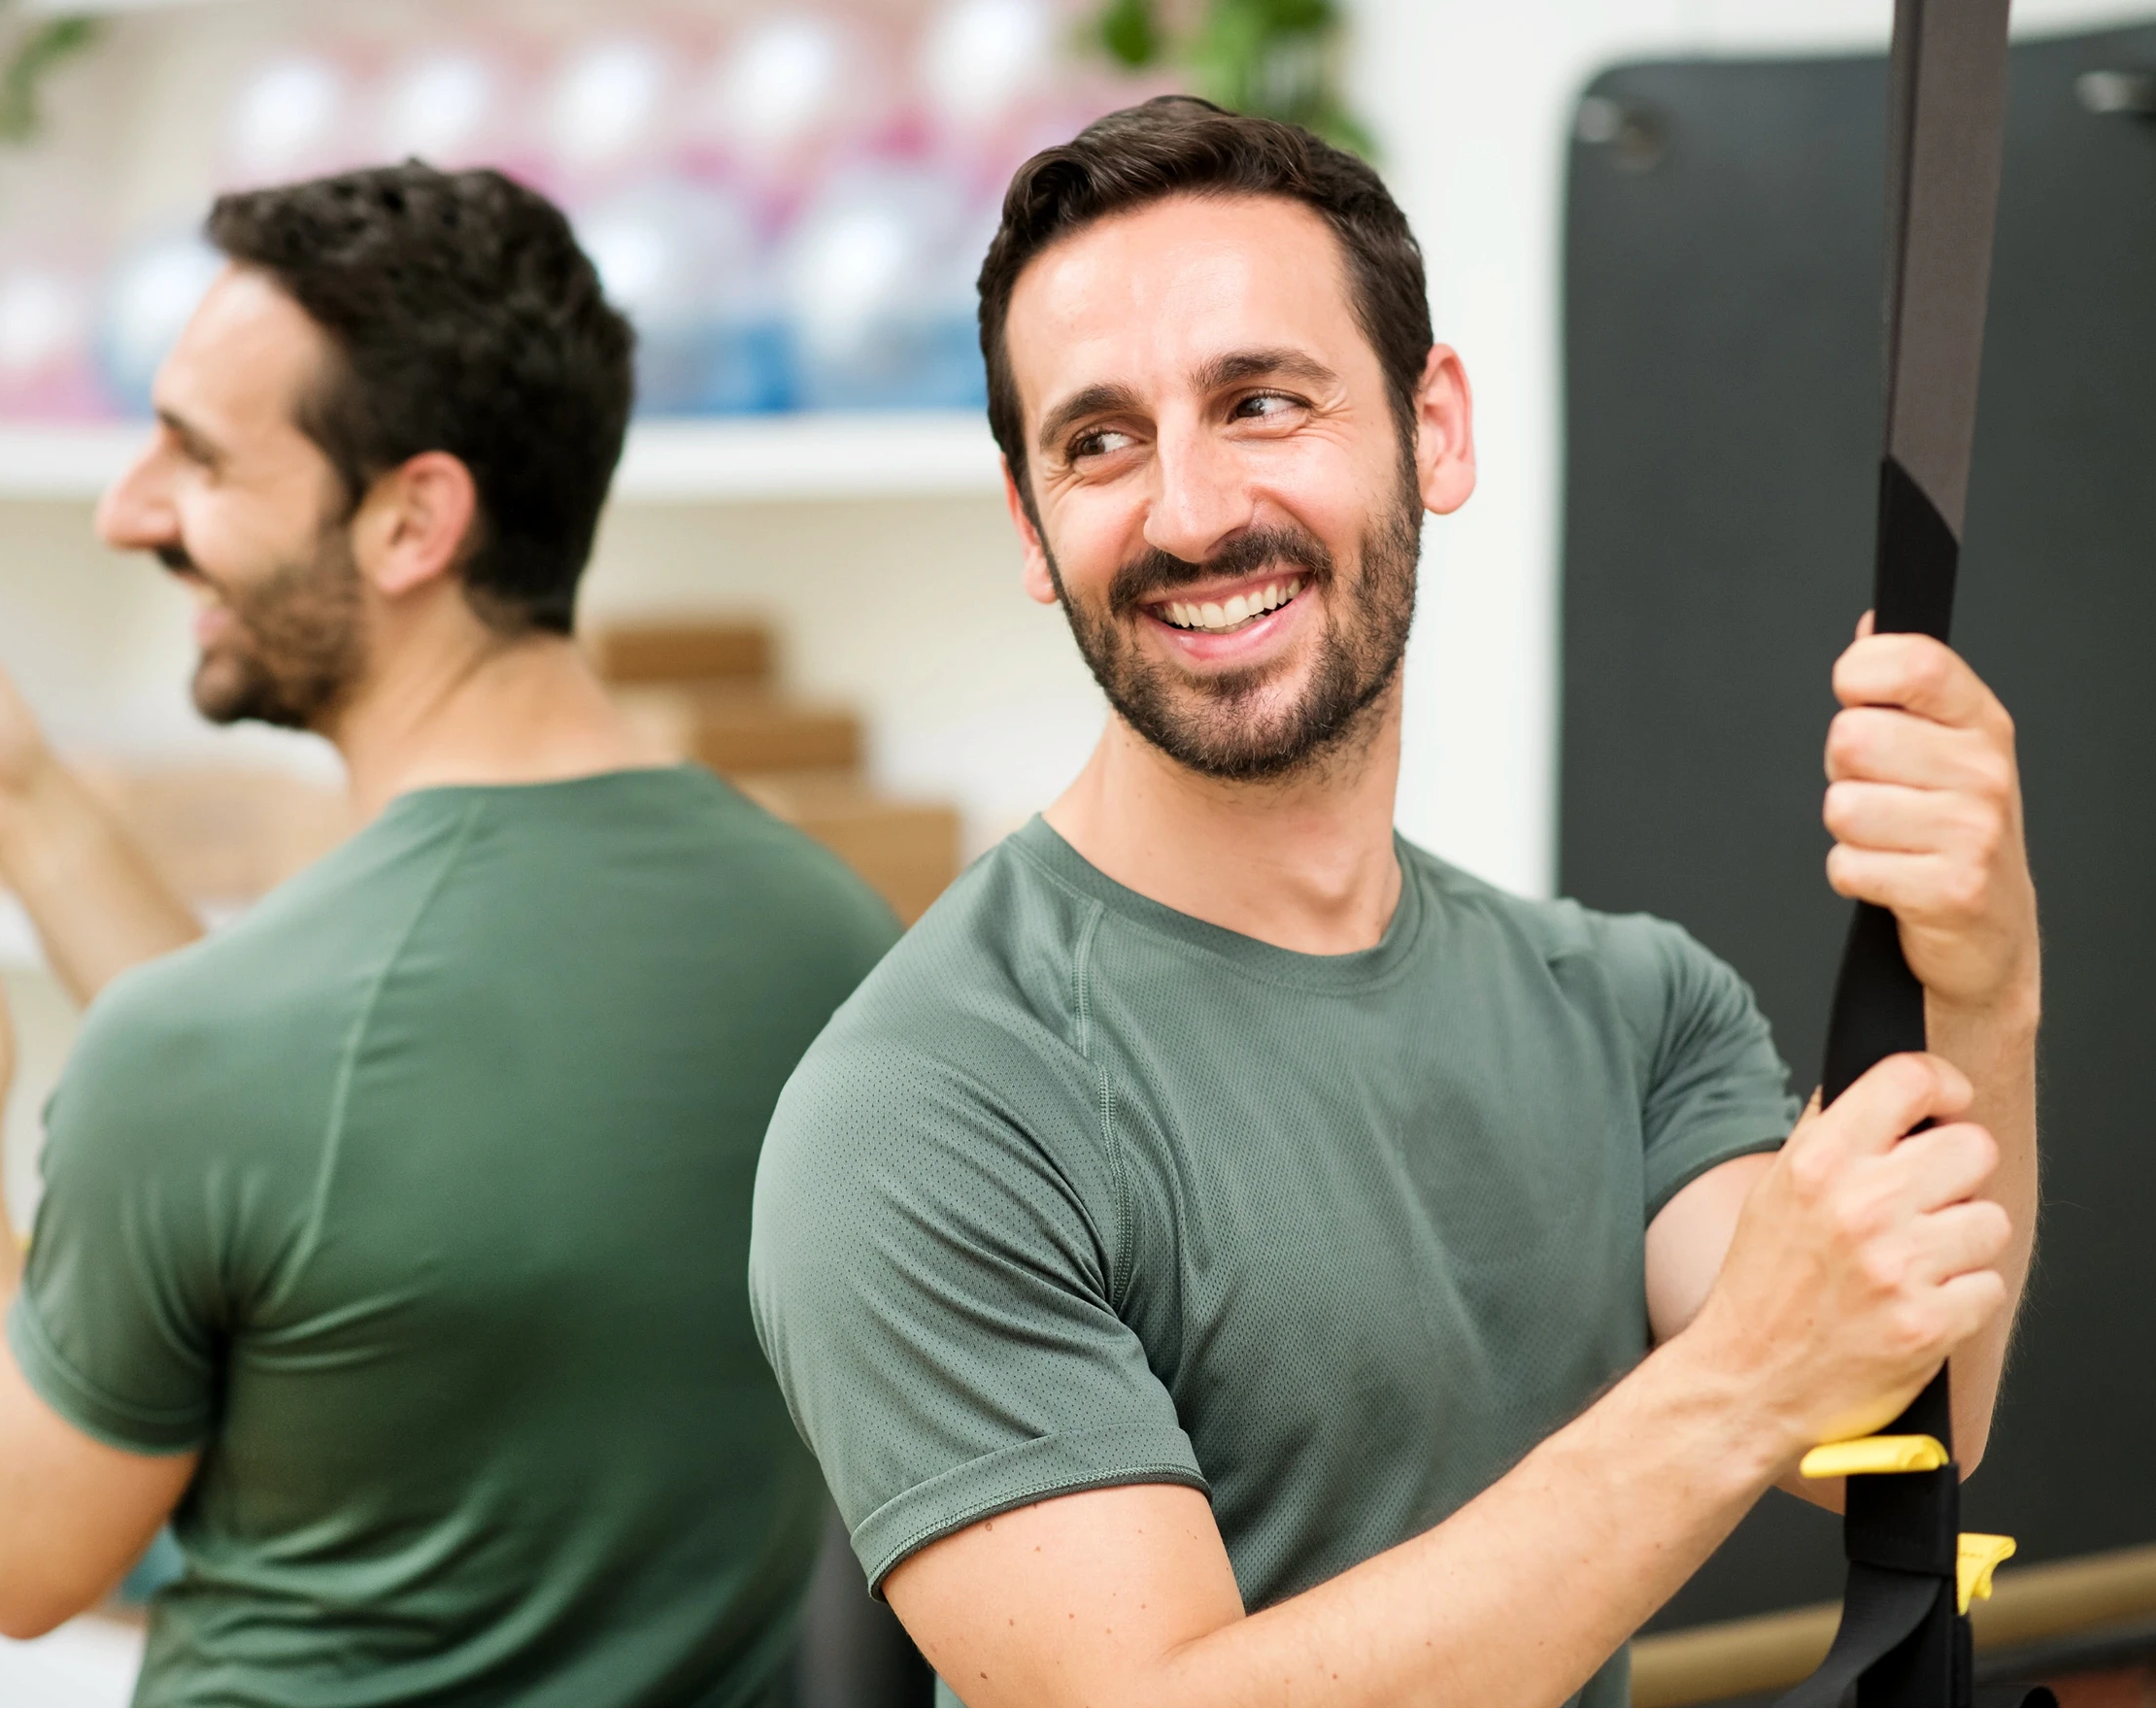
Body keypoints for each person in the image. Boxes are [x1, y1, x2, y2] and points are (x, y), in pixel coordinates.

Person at [749, 97, 2039, 1709]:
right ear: (1029, 521)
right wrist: (1727, 1387)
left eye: (1260, 403)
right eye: (1098, 442)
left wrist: (1984, 981)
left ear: (1434, 429)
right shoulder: (931, 1108)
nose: (1188, 511)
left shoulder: (1632, 1014)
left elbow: (1893, 1423)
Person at [0, 163, 903, 1705]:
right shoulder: (836, 941)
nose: (128, 510)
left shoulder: (220, 1054)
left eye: (197, 458)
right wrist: (26, 806)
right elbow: (330, 1140)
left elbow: (10, 1554)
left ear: (413, 520)